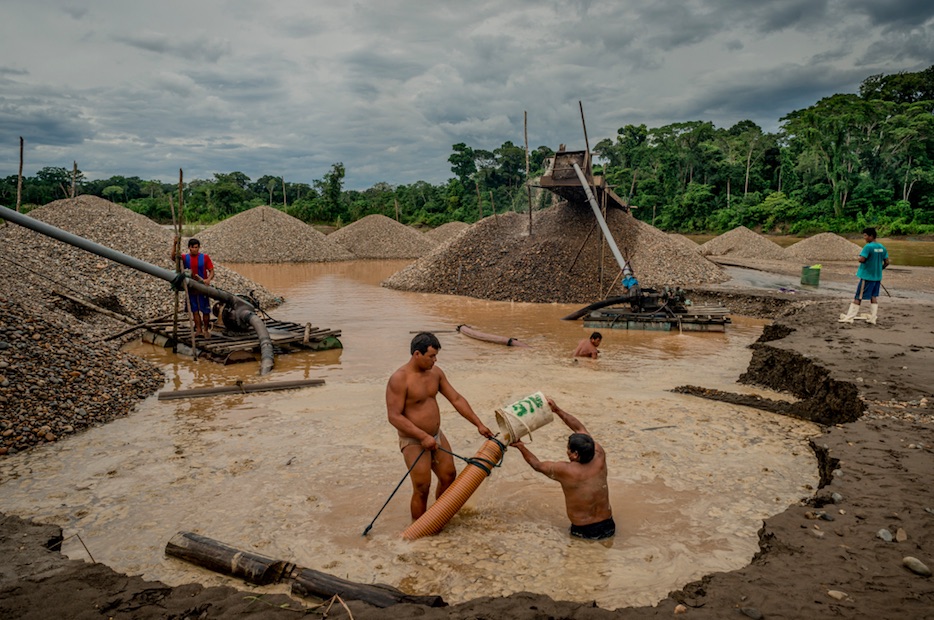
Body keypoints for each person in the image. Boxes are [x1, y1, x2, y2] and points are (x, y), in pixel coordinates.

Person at [386, 331, 494, 520]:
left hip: (436, 435)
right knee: (422, 487)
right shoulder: (400, 379)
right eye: (431, 356)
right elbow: (394, 416)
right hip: (413, 439)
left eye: (436, 356)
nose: (434, 360)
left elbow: (456, 399)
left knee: (449, 475)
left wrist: (479, 424)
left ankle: (438, 518)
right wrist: (422, 436)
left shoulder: (436, 373)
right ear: (417, 354)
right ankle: (419, 532)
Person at [510, 398, 615, 540]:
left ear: (575, 454)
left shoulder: (565, 470)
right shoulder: (599, 454)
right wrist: (557, 410)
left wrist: (521, 446)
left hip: (584, 531)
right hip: (609, 525)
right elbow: (579, 428)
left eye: (568, 448)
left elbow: (537, 465)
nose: (566, 451)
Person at [839, 227, 889, 325]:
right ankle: (873, 318)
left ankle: (849, 318)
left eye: (865, 236)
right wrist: (879, 268)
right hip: (877, 277)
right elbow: (887, 262)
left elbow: (862, 259)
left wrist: (858, 257)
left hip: (867, 277)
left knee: (858, 297)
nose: (864, 238)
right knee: (873, 296)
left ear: (871, 236)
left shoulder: (868, 247)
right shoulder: (882, 247)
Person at [171, 237, 215, 338]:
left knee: (205, 310)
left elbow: (212, 271)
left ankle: (206, 330)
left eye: (196, 247)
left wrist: (208, 279)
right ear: (189, 248)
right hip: (191, 287)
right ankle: (198, 329)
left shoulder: (205, 257)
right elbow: (173, 257)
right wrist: (174, 244)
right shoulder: (185, 258)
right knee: (194, 310)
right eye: (193, 247)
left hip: (203, 287)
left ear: (199, 248)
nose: (195, 249)